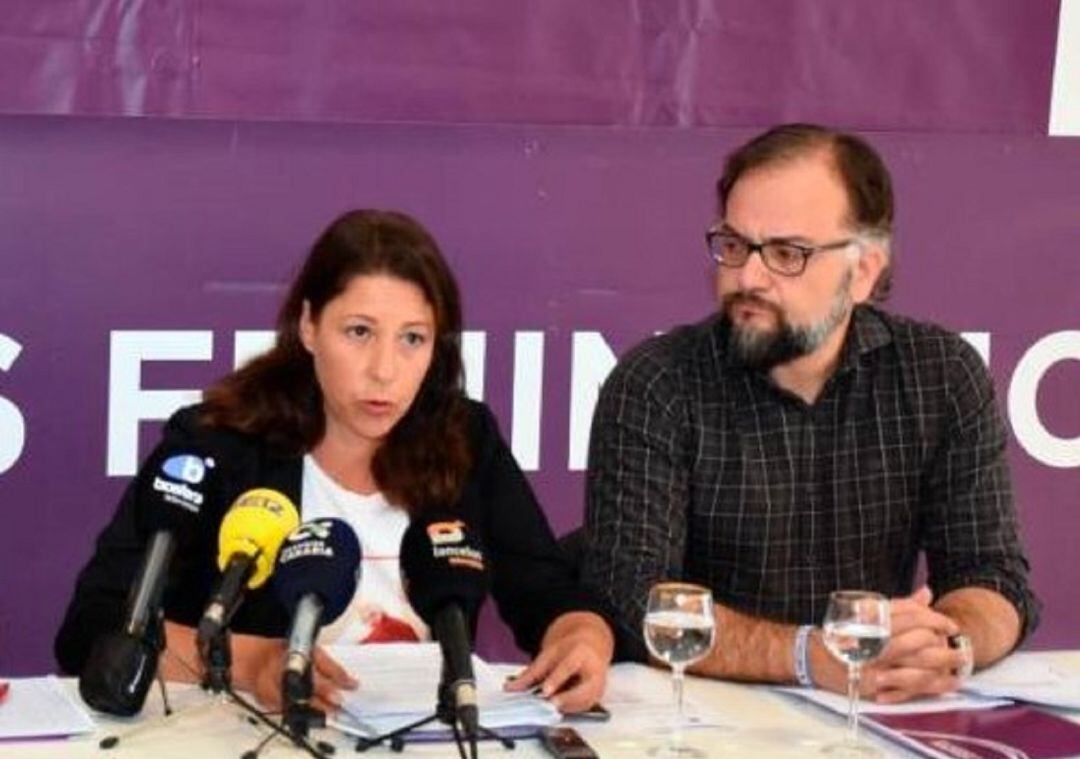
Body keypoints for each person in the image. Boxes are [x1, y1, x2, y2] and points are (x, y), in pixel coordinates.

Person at [57, 209, 614, 713]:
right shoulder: (219, 444)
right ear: (308, 327)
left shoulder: (465, 437)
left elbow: (548, 594)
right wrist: (250, 664)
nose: (384, 370)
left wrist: (583, 635)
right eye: (359, 332)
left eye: (412, 339)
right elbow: (93, 628)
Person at [582, 124, 1039, 703]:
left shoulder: (940, 375)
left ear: (865, 271)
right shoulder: (658, 383)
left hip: (874, 718)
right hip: (700, 718)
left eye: (785, 254)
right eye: (733, 245)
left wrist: (949, 647)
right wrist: (808, 657)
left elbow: (994, 578)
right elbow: (630, 600)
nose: (747, 277)